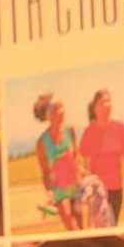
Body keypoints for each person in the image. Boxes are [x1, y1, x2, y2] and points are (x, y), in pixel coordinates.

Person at [80, 89, 124, 223]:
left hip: (117, 188)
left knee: (112, 224)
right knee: (104, 226)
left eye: (109, 101)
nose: (107, 105)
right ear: (95, 108)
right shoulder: (89, 132)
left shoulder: (120, 127)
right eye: (102, 102)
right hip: (97, 191)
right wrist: (87, 190)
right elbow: (86, 164)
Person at [33, 94, 81, 230]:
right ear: (48, 115)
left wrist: (82, 175)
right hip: (58, 188)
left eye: (62, 107)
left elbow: (76, 157)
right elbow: (45, 172)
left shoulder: (70, 131)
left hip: (75, 184)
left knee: (81, 224)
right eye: (56, 109)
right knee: (71, 226)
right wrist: (49, 192)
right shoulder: (41, 142)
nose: (61, 111)